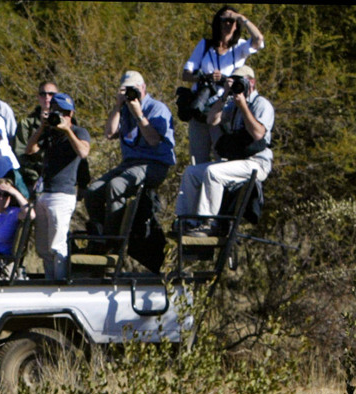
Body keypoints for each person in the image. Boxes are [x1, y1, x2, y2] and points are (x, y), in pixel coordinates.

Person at [174, 66, 273, 236]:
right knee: (192, 172)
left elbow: (258, 133)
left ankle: (208, 223)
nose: (238, 84)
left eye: (241, 81)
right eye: (234, 80)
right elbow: (212, 120)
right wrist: (225, 94)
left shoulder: (261, 104)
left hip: (257, 162)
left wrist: (243, 106)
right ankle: (186, 220)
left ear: (252, 82)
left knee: (213, 172)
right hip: (237, 161)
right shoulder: (232, 104)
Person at [84, 70, 175, 240]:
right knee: (92, 191)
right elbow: (110, 134)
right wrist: (117, 106)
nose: (131, 94)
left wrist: (139, 114)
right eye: (126, 90)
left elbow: (153, 140)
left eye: (134, 89)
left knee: (116, 185)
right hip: (129, 163)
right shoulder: (124, 110)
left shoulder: (157, 108)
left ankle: (111, 239)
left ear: (143, 88)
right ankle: (98, 232)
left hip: (154, 163)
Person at [181, 7, 265, 165]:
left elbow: (259, 40)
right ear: (217, 23)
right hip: (201, 108)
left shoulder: (240, 47)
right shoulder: (205, 45)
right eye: (224, 20)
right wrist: (205, 77)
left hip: (224, 110)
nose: (228, 24)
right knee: (197, 160)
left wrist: (241, 18)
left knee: (223, 158)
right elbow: (186, 74)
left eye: (231, 21)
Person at [24, 92, 91, 281]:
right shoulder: (49, 133)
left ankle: (60, 284)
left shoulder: (79, 132)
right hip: (43, 193)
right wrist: (42, 128)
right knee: (43, 248)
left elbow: (83, 152)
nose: (63, 117)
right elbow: (30, 150)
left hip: (62, 194)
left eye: (67, 113)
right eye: (59, 112)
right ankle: (49, 281)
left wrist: (67, 130)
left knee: (58, 245)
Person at [13, 81, 59, 192]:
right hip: (33, 180)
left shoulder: (67, 122)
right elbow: (20, 154)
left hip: (60, 179)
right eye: (43, 94)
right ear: (38, 97)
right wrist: (35, 178)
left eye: (51, 94)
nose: (47, 97)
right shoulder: (26, 123)